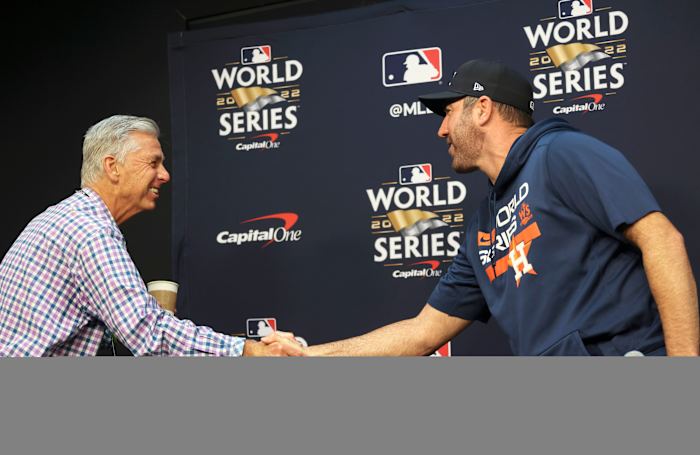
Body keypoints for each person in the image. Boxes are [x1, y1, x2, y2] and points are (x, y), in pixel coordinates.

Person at [265, 59, 699, 356]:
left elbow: (662, 239)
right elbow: (421, 333)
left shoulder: (561, 153)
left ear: (483, 109)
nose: (440, 131)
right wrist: (306, 356)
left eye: (448, 112)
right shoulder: (483, 226)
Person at [0, 115, 303, 357]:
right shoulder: (90, 232)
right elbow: (148, 333)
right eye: (153, 162)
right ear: (112, 167)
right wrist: (247, 350)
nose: (165, 175)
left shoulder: (67, 217)